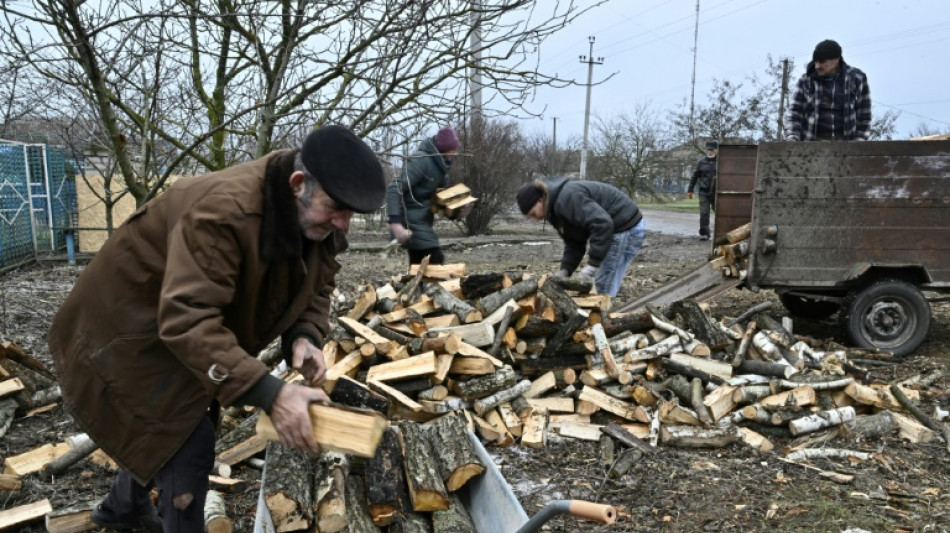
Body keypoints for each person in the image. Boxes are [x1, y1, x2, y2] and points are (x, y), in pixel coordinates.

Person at [47, 125, 386, 533]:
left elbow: (318, 281)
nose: (344, 224)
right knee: (185, 438)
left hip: (173, 322)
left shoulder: (312, 215)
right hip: (121, 331)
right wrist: (272, 396)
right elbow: (187, 319)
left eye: (351, 213)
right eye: (337, 208)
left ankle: (121, 509)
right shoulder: (224, 213)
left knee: (167, 427)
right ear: (298, 184)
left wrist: (304, 336)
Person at [516, 177, 646, 297]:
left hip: (625, 227)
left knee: (603, 285)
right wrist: (566, 270)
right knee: (606, 283)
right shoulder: (553, 211)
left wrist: (593, 264)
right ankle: (604, 316)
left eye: (533, 213)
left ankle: (603, 319)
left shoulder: (566, 199)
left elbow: (602, 224)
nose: (535, 219)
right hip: (622, 227)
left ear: (540, 200)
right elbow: (574, 242)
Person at [386, 126, 469, 265]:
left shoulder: (442, 167)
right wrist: (396, 223)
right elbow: (395, 189)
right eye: (452, 150)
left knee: (420, 265)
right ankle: (421, 286)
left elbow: (437, 202)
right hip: (410, 221)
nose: (455, 153)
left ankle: (415, 286)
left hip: (422, 221)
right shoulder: (421, 160)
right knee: (434, 259)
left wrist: (457, 212)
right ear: (443, 149)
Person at [786, 39, 871, 141]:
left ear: (836, 59)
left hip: (847, 146)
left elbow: (864, 117)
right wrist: (792, 140)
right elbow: (794, 114)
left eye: (822, 62)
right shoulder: (806, 81)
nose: (817, 66)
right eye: (815, 61)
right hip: (811, 146)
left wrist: (858, 143)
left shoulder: (857, 78)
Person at [687, 140, 718, 241]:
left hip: (716, 192)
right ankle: (704, 234)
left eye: (712, 150)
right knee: (704, 213)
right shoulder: (701, 162)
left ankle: (720, 233)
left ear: (716, 150)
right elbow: (694, 176)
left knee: (719, 213)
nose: (710, 152)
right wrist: (690, 190)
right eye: (708, 150)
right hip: (704, 192)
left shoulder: (720, 162)